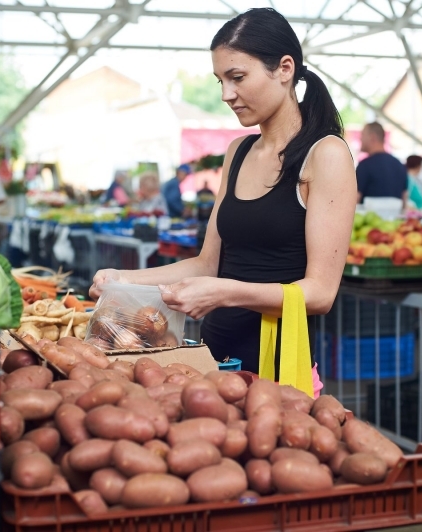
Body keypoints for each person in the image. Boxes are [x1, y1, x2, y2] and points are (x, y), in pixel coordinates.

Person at [90, 8, 356, 388]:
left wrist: (224, 293)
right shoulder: (238, 152)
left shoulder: (325, 154)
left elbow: (320, 293)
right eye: (221, 81)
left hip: (278, 371)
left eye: (237, 78)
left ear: (284, 69)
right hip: (213, 362)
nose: (226, 95)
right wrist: (123, 279)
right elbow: (207, 264)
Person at [356, 122, 407, 203]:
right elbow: (404, 199)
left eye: (362, 135)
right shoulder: (399, 165)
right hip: (395, 211)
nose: (360, 139)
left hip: (368, 211)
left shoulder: (364, 166)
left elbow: (355, 199)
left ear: (372, 137)